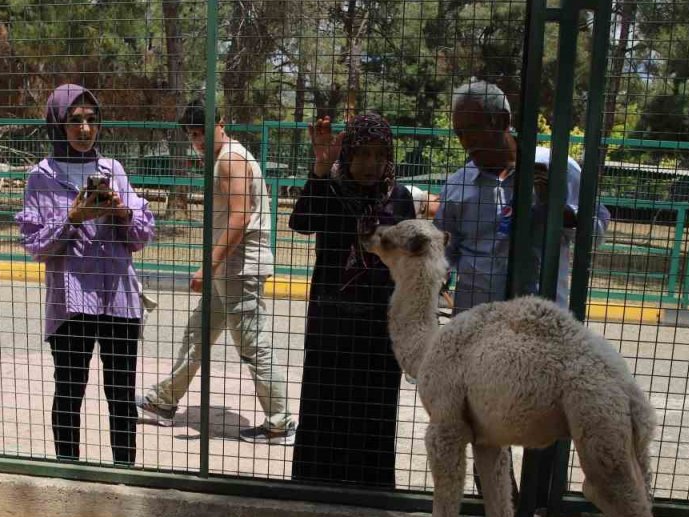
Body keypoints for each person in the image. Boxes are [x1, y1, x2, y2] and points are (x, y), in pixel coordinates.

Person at [138, 99, 295, 445]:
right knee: (197, 336)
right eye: (193, 135)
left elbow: (239, 217)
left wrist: (208, 265)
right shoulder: (228, 157)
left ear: (221, 122)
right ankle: (164, 400)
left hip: (239, 269)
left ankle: (280, 423)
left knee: (254, 348)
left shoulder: (231, 161)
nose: (199, 140)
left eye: (203, 132)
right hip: (228, 268)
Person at [18, 83, 156, 467]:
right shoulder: (41, 177)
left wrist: (121, 211)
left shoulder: (113, 170)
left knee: (121, 395)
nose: (84, 129)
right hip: (71, 303)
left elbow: (141, 236)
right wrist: (72, 218)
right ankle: (69, 472)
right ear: (58, 124)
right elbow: (36, 246)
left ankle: (124, 471)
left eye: (92, 120)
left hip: (118, 301)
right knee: (69, 392)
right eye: (75, 120)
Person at [288, 112, 417, 488]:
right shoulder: (329, 187)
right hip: (332, 326)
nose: (371, 164)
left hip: (379, 330)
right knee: (326, 410)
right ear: (349, 154)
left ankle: (371, 494)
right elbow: (300, 222)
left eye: (379, 155)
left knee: (373, 414)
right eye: (362, 154)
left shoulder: (399, 197)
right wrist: (320, 168)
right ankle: (315, 491)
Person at [436, 80, 610, 315]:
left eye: (473, 130)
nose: (466, 142)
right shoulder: (458, 184)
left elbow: (595, 233)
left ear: (503, 121)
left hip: (538, 322)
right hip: (476, 324)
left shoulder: (559, 171)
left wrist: (557, 209)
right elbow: (442, 252)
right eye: (460, 133)